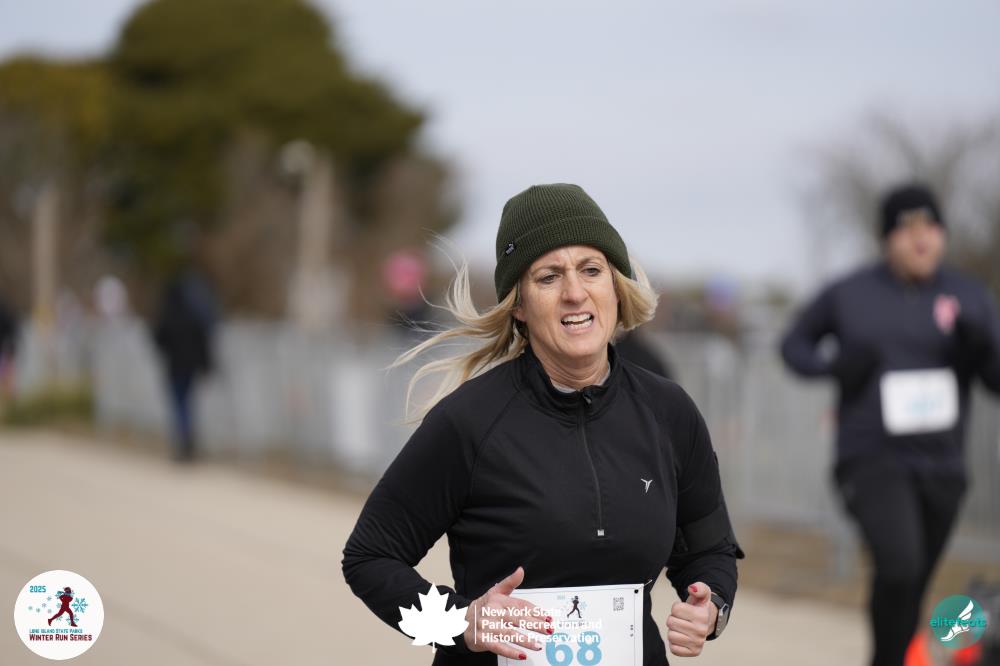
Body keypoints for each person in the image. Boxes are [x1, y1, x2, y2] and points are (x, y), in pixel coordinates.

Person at [343, 183, 744, 664]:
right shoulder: (469, 422)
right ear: (518, 304)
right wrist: (458, 623)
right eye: (548, 277)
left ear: (615, 286)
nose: (575, 293)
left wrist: (711, 607)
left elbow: (710, 550)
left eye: (591, 270)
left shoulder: (669, 411)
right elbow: (368, 558)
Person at [780, 183, 1000, 666]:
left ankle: (894, 656)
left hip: (943, 465)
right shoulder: (850, 293)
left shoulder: (968, 296)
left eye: (931, 227)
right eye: (907, 228)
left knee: (914, 581)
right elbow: (792, 346)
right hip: (872, 458)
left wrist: (983, 349)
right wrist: (833, 366)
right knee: (899, 564)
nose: (921, 238)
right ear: (886, 238)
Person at [151, 270, 217, 463]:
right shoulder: (194, 314)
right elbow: (203, 342)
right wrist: (206, 364)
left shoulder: (170, 313)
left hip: (175, 367)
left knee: (179, 404)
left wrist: (167, 350)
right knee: (187, 403)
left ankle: (183, 443)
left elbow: (159, 337)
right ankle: (187, 441)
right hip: (190, 367)